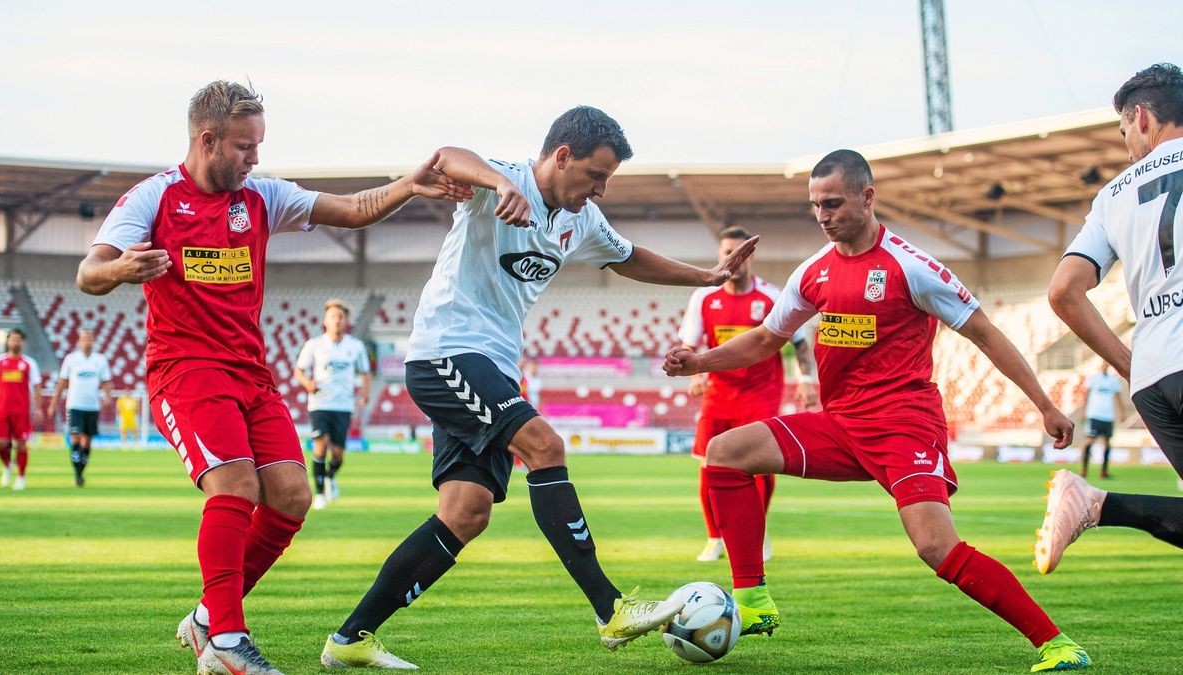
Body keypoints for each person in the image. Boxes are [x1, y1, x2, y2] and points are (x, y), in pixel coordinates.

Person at [320, 105, 759, 670]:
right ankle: (611, 609)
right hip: (446, 352)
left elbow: (630, 258)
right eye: (595, 175)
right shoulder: (502, 181)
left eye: (608, 180)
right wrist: (501, 183)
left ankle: (350, 639)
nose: (600, 190)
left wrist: (706, 276)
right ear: (562, 156)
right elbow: (448, 156)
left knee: (467, 511)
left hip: (496, 366)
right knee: (546, 447)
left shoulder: (583, 222)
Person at [75, 79, 472, 675]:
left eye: (258, 144)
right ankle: (228, 643)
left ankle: (210, 615)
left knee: (291, 496)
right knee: (233, 487)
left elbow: (352, 210)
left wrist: (409, 187)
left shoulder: (261, 196)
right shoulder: (151, 199)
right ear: (207, 140)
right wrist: (124, 267)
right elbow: (89, 272)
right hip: (186, 371)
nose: (255, 157)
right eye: (244, 146)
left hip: (250, 375)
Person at [662, 149, 1090, 672]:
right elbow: (765, 339)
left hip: (903, 425)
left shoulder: (912, 266)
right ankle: (753, 603)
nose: (823, 216)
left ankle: (1057, 644)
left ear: (868, 197)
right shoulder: (812, 273)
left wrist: (1044, 404)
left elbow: (984, 333)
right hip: (839, 423)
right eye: (816, 205)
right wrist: (699, 361)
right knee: (725, 453)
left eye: (834, 203)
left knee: (936, 547)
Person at [1038, 63, 1183, 576]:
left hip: (1155, 374)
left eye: (1123, 131)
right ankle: (1099, 504)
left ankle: (1097, 504)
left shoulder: (1112, 196)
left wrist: (1129, 363)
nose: (1127, 142)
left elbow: (1063, 291)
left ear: (1141, 117)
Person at [678, 225, 816, 563]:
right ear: (719, 256)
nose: (733, 258)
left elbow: (800, 342)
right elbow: (689, 343)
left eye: (740, 252)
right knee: (709, 466)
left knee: (760, 466)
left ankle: (757, 533)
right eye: (727, 252)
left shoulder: (771, 296)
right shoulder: (704, 297)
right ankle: (715, 538)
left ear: (749, 256)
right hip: (718, 394)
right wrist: (692, 376)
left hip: (760, 393)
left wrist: (806, 380)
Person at [294, 298, 371, 510]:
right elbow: (299, 370)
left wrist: (365, 393)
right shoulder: (314, 345)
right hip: (319, 403)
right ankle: (319, 495)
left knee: (338, 453)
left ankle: (329, 476)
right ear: (325, 321)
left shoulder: (355, 346)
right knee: (320, 445)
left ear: (346, 321)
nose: (337, 320)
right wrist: (308, 383)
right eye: (333, 316)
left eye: (340, 316)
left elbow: (365, 372)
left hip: (343, 405)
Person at [48, 329, 113, 486]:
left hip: (92, 406)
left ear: (93, 341)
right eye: (84, 338)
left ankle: (80, 471)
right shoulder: (71, 359)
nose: (87, 341)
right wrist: (53, 404)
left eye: (90, 338)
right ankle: (77, 474)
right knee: (76, 437)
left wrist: (107, 396)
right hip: (75, 405)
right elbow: (62, 382)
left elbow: (106, 381)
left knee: (87, 442)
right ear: (79, 341)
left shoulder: (100, 360)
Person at [0, 328, 42, 491]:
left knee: (21, 444)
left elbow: (37, 387)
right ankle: (8, 466)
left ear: (22, 342)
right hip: (1, 410)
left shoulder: (29, 363)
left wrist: (38, 408)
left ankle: (21, 477)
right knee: (0, 444)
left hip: (21, 411)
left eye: (18, 339)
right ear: (8, 342)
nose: (15, 342)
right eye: (12, 339)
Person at [1078, 362, 1124, 479]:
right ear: (1100, 366)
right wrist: (1083, 411)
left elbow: (1118, 396)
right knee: (1089, 441)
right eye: (1103, 364)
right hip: (1094, 414)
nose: (1105, 366)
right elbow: (1086, 395)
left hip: (1108, 416)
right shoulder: (1093, 379)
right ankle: (1084, 470)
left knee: (1107, 443)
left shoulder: (1114, 380)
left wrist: (1122, 412)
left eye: (1107, 364)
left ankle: (1104, 471)